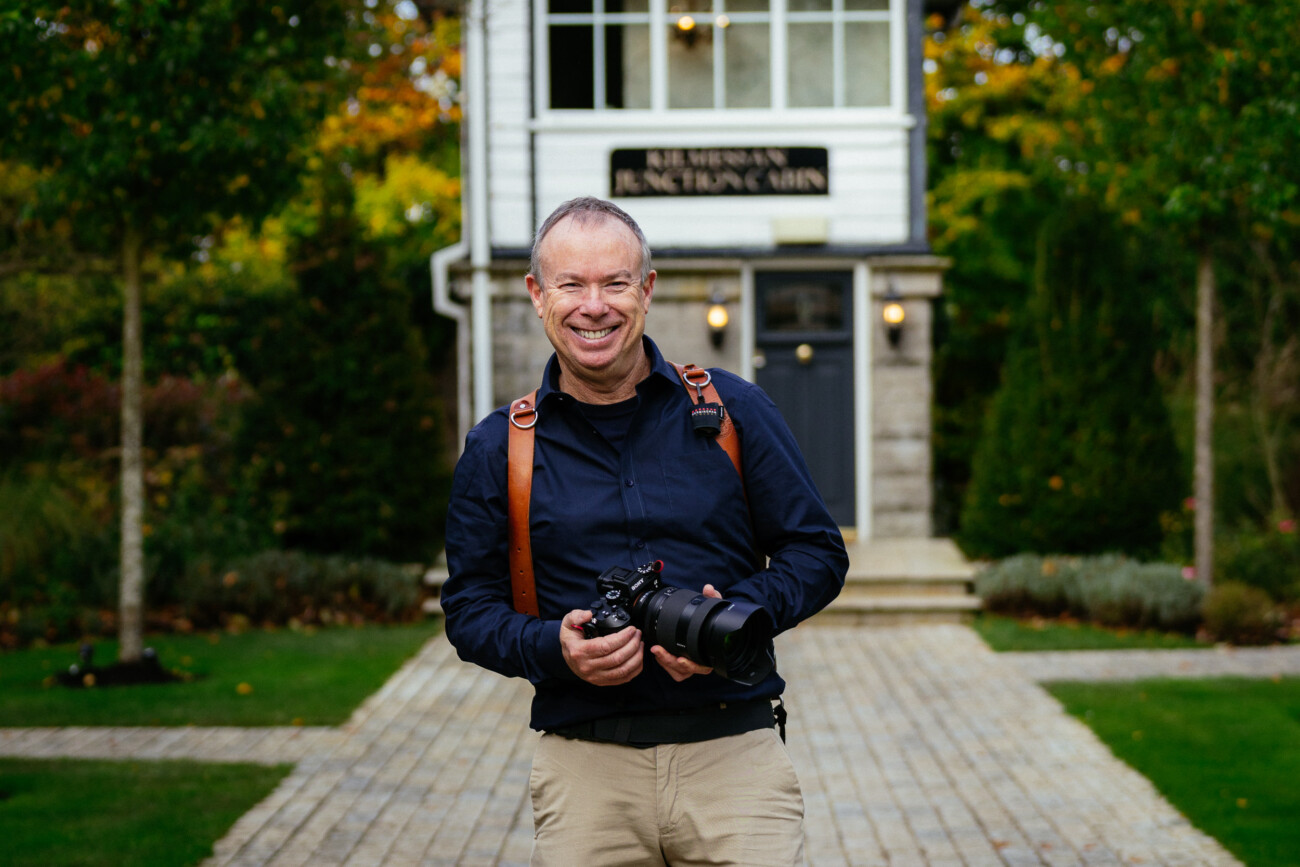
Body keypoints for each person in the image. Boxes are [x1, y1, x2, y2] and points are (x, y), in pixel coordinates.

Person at [442, 196, 847, 865]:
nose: (592, 305)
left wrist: (736, 617)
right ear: (537, 294)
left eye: (615, 282)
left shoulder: (732, 409)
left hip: (734, 757)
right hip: (585, 773)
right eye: (571, 284)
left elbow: (817, 552)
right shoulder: (499, 447)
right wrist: (556, 648)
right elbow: (468, 609)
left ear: (647, 290)